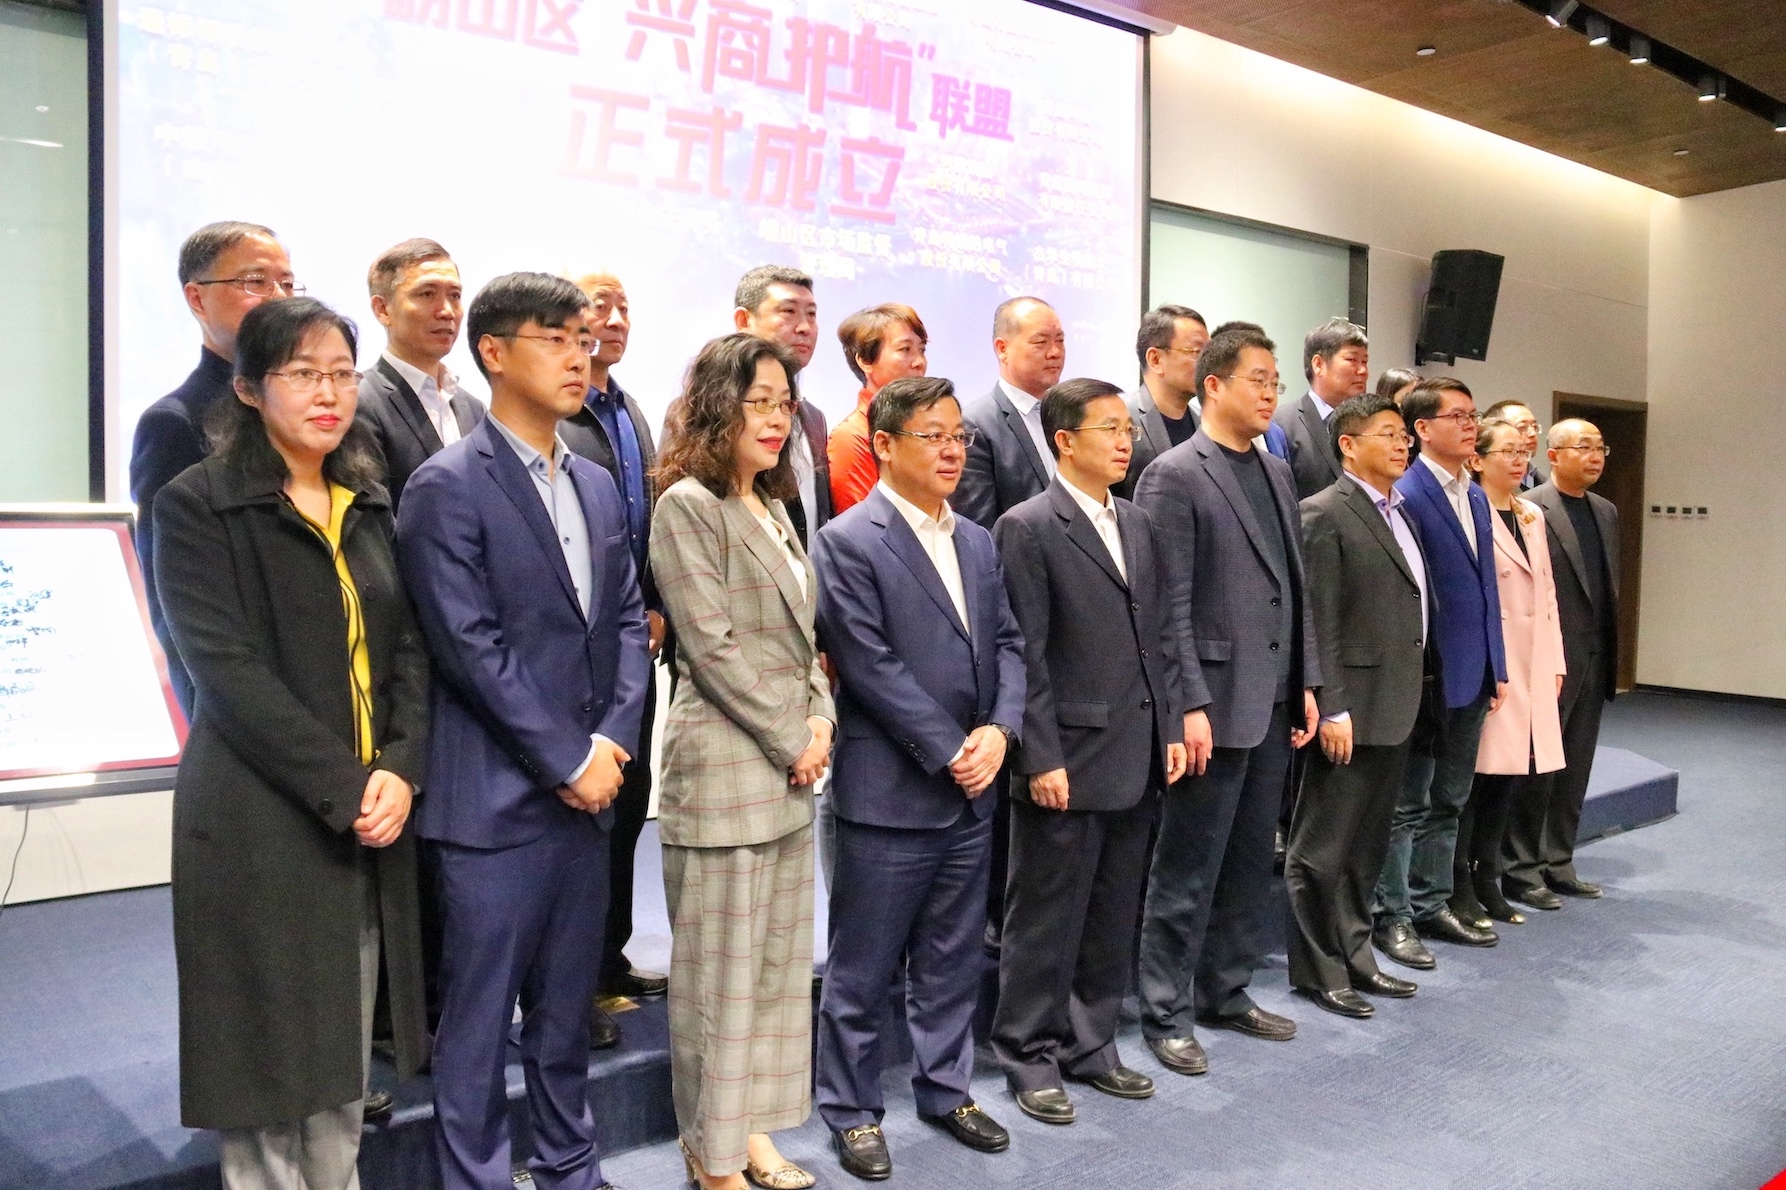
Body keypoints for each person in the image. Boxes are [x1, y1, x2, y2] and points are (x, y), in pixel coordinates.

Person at [152, 296, 429, 1189]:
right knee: (267, 1061)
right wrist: (349, 786)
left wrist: (399, 768)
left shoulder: (368, 499)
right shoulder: (198, 505)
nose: (330, 393)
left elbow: (408, 649)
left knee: (341, 1056)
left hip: (368, 811)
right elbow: (225, 673)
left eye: (342, 373)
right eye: (304, 374)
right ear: (247, 389)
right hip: (258, 816)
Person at [396, 272, 651, 1190]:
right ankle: (473, 1177)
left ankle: (571, 1167)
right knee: (476, 1021)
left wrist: (612, 740)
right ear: (495, 353)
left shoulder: (594, 480)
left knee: (565, 1011)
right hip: (495, 802)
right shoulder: (445, 485)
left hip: (590, 791)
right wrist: (566, 758)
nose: (580, 355)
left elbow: (628, 620)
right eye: (556, 338)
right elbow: (468, 649)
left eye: (584, 338)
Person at [812, 376, 1024, 1182]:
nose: (950, 450)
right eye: (931, 435)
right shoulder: (848, 540)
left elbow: (1010, 645)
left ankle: (946, 1089)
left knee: (952, 958)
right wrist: (952, 749)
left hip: (973, 786)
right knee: (862, 968)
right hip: (891, 791)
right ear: (884, 445)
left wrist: (999, 732)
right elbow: (867, 663)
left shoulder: (977, 540)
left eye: (957, 435)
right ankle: (852, 1110)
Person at [650, 333, 835, 1190]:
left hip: (789, 774)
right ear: (717, 408)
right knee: (716, 986)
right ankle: (710, 1155)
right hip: (726, 771)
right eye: (757, 402)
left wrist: (821, 718)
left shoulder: (774, 506)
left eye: (783, 403)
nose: (775, 419)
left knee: (769, 978)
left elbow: (804, 642)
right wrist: (794, 737)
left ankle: (749, 1134)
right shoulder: (687, 506)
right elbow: (712, 647)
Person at [991, 378, 1186, 1124]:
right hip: (1066, 755)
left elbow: (1158, 637)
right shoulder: (1028, 526)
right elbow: (1025, 654)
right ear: (1064, 440)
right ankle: (1028, 1051)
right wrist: (1038, 756)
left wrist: (1171, 728)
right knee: (1045, 914)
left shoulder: (1137, 521)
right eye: (1108, 428)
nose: (1124, 440)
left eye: (1125, 428)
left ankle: (1091, 1042)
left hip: (1136, 748)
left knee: (1112, 908)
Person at [1133, 326, 1320, 1075]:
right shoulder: (1173, 474)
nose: (1271, 393)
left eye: (1276, 381)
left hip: (1271, 698)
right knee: (1187, 865)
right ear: (1212, 385)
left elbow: (1296, 589)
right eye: (1258, 379)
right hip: (1211, 704)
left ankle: (1226, 989)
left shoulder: (1276, 471)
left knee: (1247, 861)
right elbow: (1167, 604)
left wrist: (1308, 681)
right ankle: (1164, 1010)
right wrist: (1187, 705)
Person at [1285, 393, 1431, 1018]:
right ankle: (1319, 971)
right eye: (1388, 434)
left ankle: (1356, 954)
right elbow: (1316, 620)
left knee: (1366, 846)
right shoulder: (1323, 512)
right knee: (1322, 850)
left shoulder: (1401, 512)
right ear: (1348, 445)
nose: (1403, 445)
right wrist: (1331, 706)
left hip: (1395, 702)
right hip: (1349, 709)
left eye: (1404, 436)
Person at [558, 272, 669, 1046]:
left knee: (631, 802)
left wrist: (657, 602)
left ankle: (611, 958)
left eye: (625, 306)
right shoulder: (561, 418)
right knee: (583, 813)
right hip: (576, 652)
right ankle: (572, 981)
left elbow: (648, 522)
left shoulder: (629, 410)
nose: (616, 319)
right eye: (601, 306)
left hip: (636, 643)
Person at [131, 220, 296, 716]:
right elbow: (174, 604)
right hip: (240, 702)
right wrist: (209, 714)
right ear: (196, 298)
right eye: (255, 281)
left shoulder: (310, 411)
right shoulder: (174, 423)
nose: (277, 297)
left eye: (287, 283)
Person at [1372, 378, 1507, 970]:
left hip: (1474, 672)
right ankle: (1393, 915)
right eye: (1458, 416)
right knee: (1409, 804)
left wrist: (1498, 664)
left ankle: (1432, 902)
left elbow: (1486, 588)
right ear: (1422, 429)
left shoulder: (1473, 493)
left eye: (1473, 416)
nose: (1470, 425)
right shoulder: (1407, 493)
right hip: (1427, 677)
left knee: (1451, 798)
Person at [1506, 419, 1620, 906]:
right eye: (1583, 447)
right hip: (1549, 659)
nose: (1595, 456)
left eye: (1600, 448)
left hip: (1594, 655)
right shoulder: (1529, 508)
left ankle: (1559, 861)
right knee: (1538, 769)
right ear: (1553, 456)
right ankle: (1521, 867)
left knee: (1575, 767)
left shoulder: (1606, 511)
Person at [1462, 419, 1566, 928]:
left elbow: (1546, 593)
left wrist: (1556, 661)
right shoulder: (1470, 511)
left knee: (1509, 777)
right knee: (1476, 780)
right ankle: (1462, 884)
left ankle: (1492, 878)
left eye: (1523, 451)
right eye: (1506, 451)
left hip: (1532, 661)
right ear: (1477, 460)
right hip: (1494, 665)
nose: (1519, 459)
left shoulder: (1530, 514)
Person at [357, 238, 484, 515]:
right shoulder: (361, 400)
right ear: (383, 309)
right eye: (427, 294)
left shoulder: (473, 408)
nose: (447, 311)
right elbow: (373, 519)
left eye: (455, 296)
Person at [733, 265, 831, 547]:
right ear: (744, 320)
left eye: (811, 314)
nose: (804, 327)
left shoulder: (814, 418)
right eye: (789, 311)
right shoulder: (708, 408)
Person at [955, 296, 1065, 529]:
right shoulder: (975, 424)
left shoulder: (1069, 415)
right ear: (1002, 349)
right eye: (1041, 342)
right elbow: (979, 528)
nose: (1055, 352)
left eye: (1060, 340)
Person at [828, 304, 929, 515]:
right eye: (905, 350)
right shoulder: (852, 436)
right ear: (865, 361)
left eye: (922, 350)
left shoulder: (925, 427)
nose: (919, 362)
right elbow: (862, 525)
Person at [1273, 318, 1370, 499]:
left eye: (1364, 361)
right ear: (1318, 364)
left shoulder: (1369, 424)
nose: (1363, 371)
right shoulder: (1282, 424)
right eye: (1352, 359)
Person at [1119, 305, 1207, 499]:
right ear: (1155, 359)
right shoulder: (1121, 416)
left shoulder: (1204, 423)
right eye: (1197, 352)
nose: (1208, 364)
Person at [1483, 400, 1546, 490]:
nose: (1533, 433)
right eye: (1522, 427)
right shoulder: (1472, 489)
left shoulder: (1542, 482)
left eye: (1535, 426)